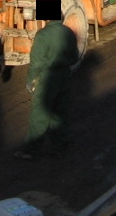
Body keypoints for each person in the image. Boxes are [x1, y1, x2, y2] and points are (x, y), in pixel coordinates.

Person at [14, 19, 80, 158]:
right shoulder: (68, 32)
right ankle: (58, 146)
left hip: (47, 78)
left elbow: (37, 63)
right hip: (65, 75)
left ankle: (32, 150)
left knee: (40, 114)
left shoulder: (42, 35)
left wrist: (31, 80)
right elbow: (75, 56)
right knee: (60, 112)